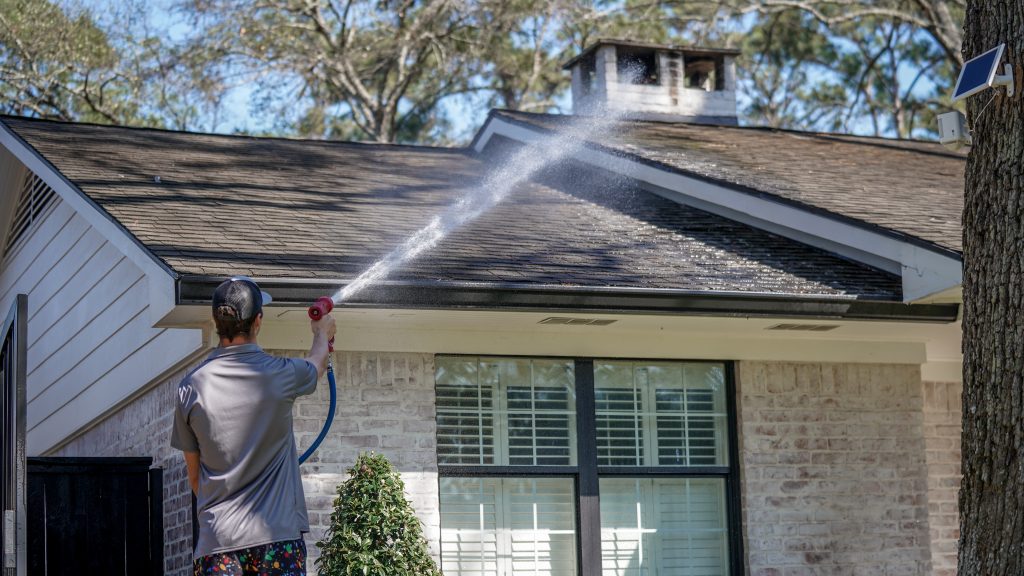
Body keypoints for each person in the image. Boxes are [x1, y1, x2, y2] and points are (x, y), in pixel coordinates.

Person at [170, 276, 336, 576]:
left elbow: (195, 480)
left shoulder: (190, 388)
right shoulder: (283, 375)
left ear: (216, 321)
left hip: (217, 545)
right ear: (258, 321)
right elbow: (318, 362)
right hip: (277, 540)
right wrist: (321, 332)